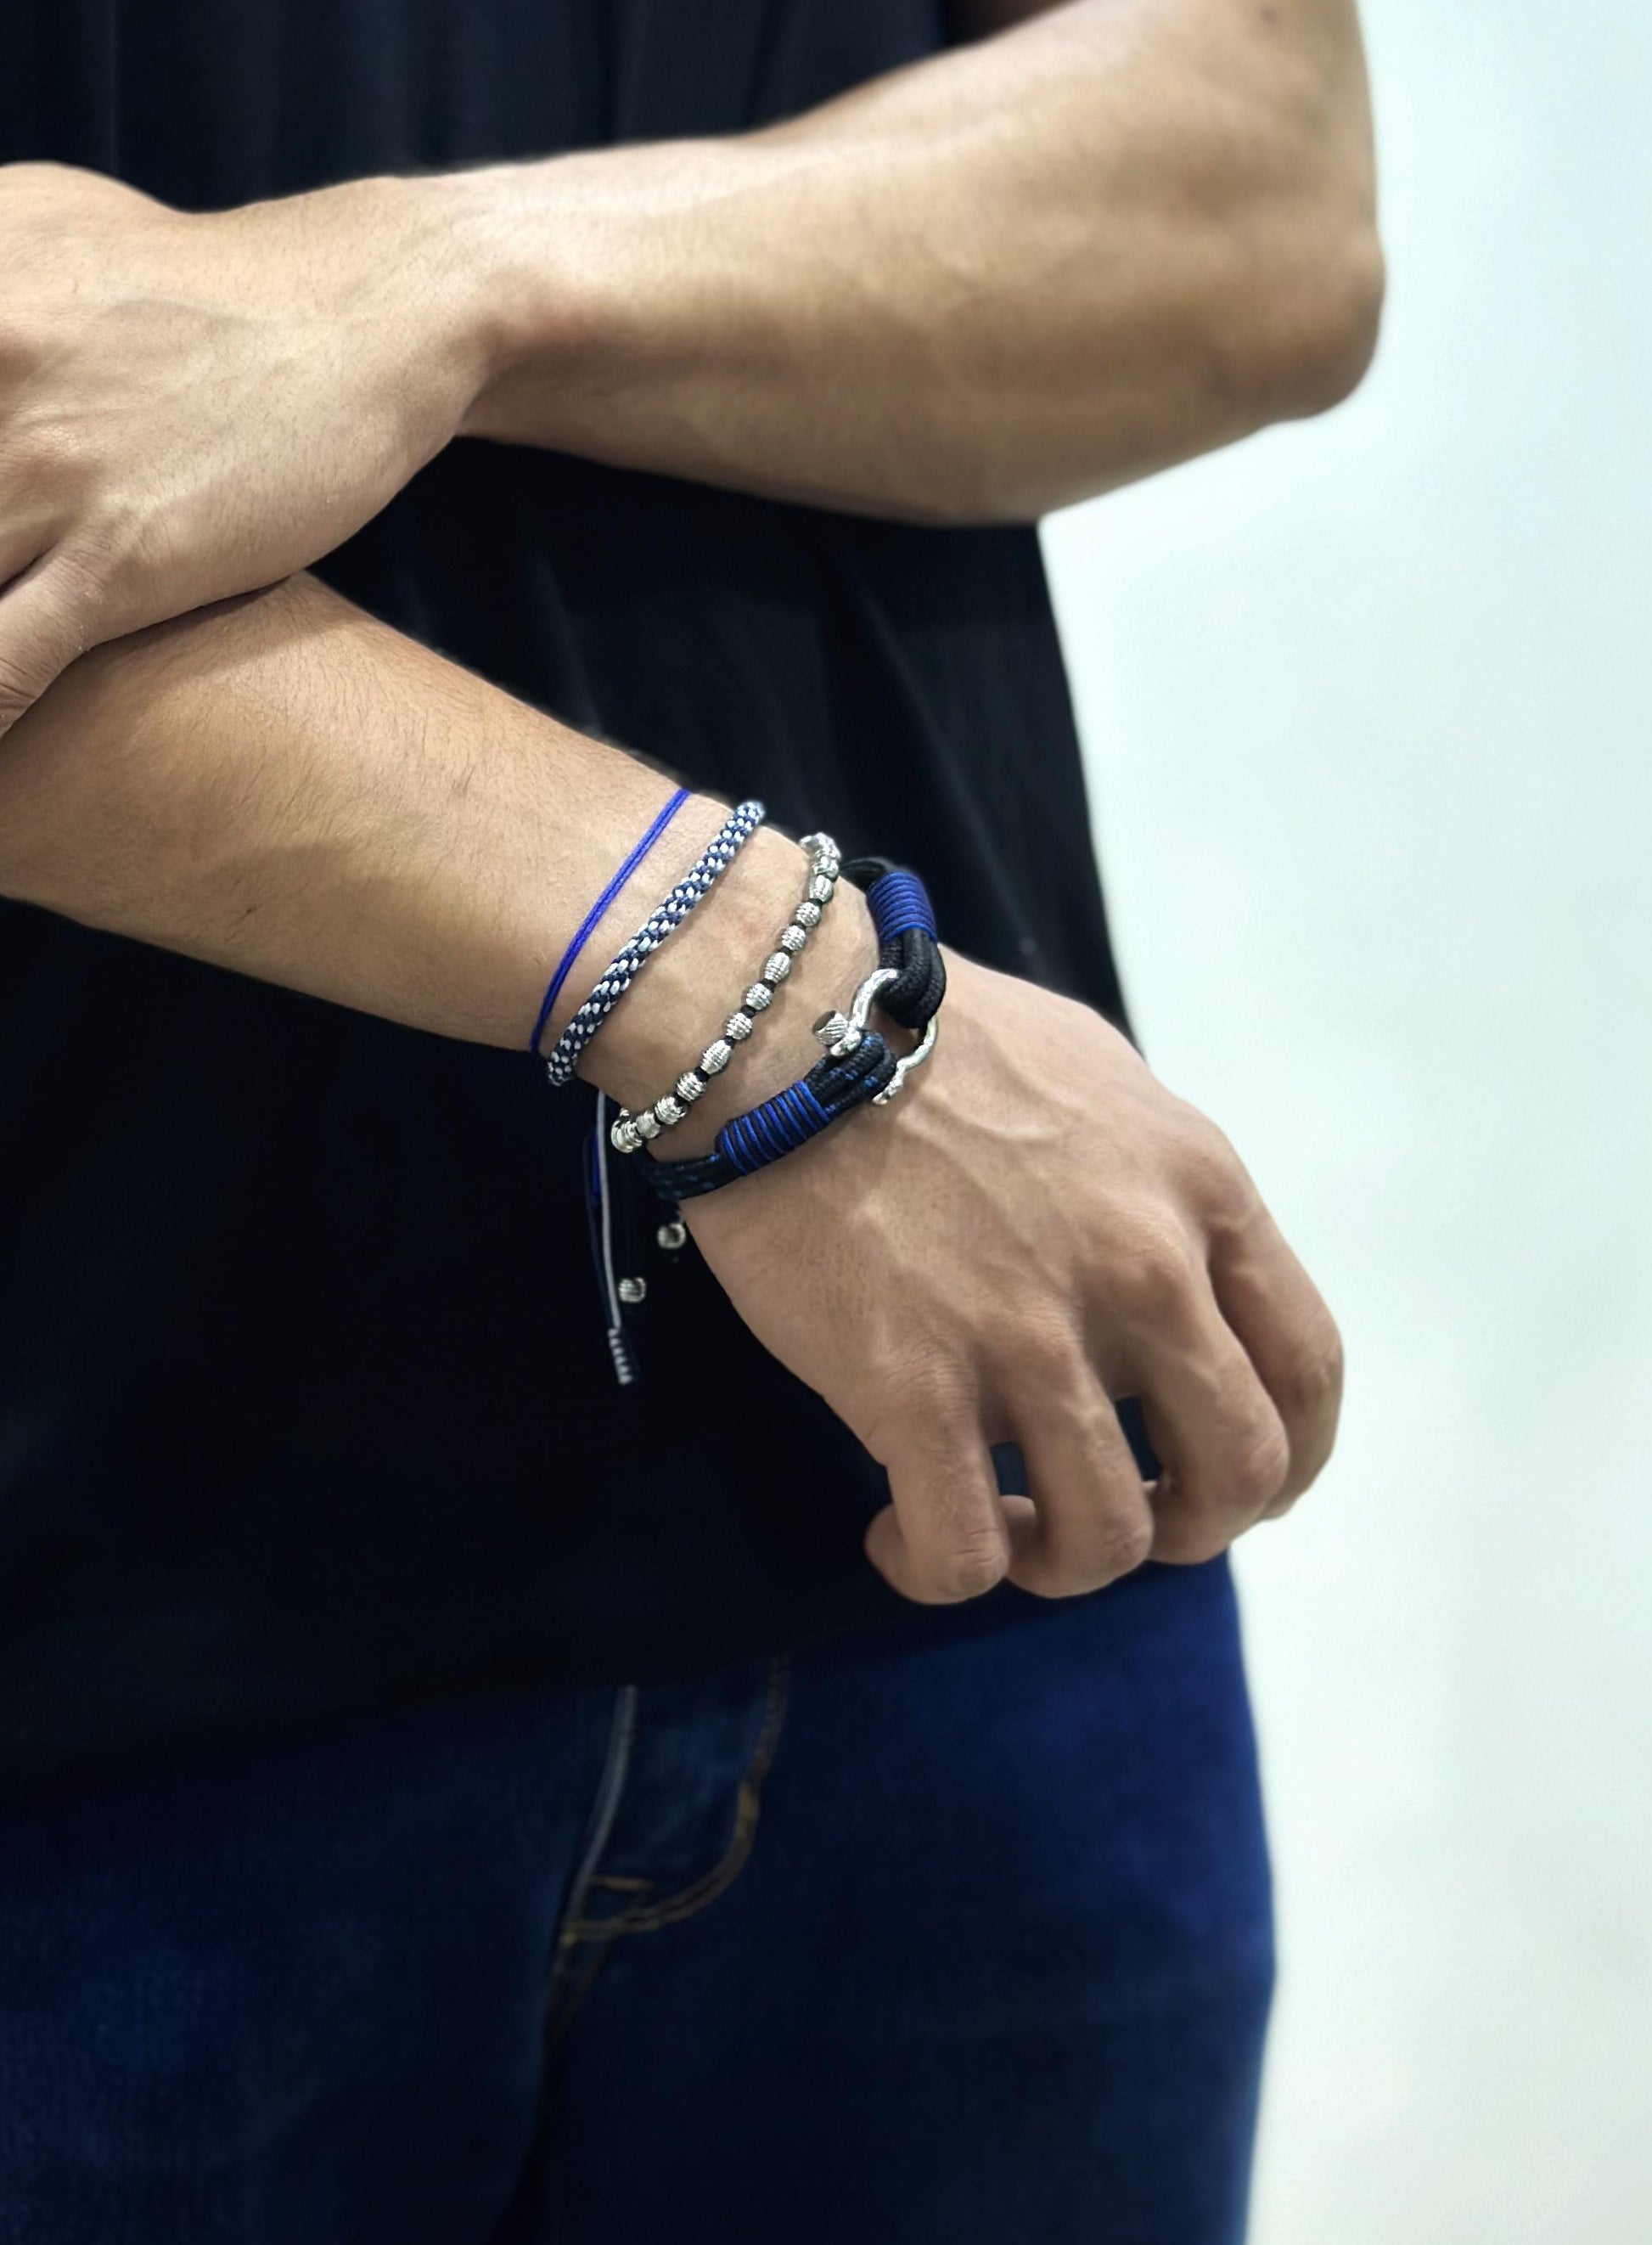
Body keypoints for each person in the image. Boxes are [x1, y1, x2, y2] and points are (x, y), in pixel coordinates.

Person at [0, 1, 1379, 2238]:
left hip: (980, 1529)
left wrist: (431, 283)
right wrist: (773, 1005)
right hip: (105, 1666)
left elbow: (1259, 194)